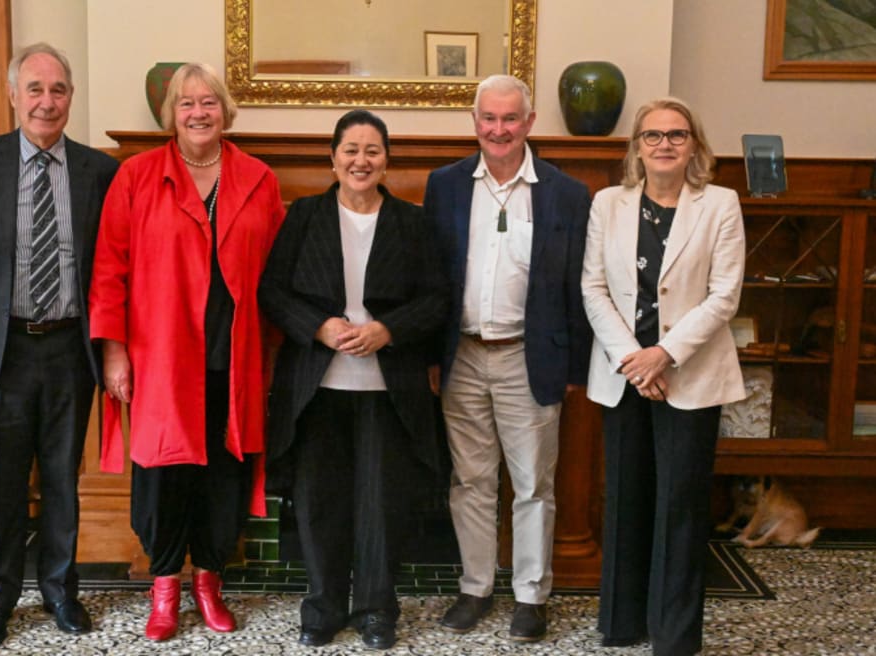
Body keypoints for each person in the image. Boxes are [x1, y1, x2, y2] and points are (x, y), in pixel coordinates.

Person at [88, 62, 284, 643]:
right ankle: (166, 586)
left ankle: (210, 582)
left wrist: (274, 358)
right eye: (186, 104)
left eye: (209, 103)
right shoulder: (137, 177)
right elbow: (109, 270)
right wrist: (115, 353)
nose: (198, 113)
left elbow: (275, 276)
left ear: (226, 111)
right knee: (164, 475)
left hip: (235, 355)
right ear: (170, 114)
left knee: (223, 474)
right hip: (161, 358)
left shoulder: (258, 179)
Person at [0, 43, 119, 648]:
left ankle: (59, 591)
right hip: (3, 347)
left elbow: (107, 262)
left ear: (70, 97)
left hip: (71, 349)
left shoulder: (101, 171)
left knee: (62, 478)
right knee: (4, 480)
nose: (48, 101)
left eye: (59, 90)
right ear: (15, 95)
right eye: (36, 89)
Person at [258, 110, 449, 650]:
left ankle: (375, 609)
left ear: (386, 159)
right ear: (333, 158)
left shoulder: (411, 223)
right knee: (320, 501)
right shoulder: (305, 216)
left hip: (390, 389)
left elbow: (437, 298)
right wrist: (319, 327)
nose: (361, 160)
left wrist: (388, 331)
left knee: (381, 502)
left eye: (372, 150)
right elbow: (272, 290)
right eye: (351, 149)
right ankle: (322, 606)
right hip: (318, 386)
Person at [424, 74, 592, 643]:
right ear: (475, 123)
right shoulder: (443, 185)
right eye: (489, 119)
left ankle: (530, 596)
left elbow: (578, 285)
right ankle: (475, 587)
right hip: (462, 355)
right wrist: (430, 356)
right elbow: (432, 281)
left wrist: (575, 368)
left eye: (510, 118)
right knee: (469, 481)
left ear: (529, 122)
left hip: (531, 357)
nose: (499, 129)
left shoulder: (565, 193)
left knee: (532, 484)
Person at [582, 97, 746, 656]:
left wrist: (665, 355)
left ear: (694, 144)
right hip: (624, 373)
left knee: (680, 505)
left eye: (677, 135)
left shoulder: (720, 204)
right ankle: (623, 623)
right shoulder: (608, 204)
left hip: (690, 376)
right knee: (625, 498)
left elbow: (725, 295)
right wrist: (636, 359)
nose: (665, 144)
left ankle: (674, 636)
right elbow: (593, 289)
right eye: (652, 135)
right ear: (637, 147)